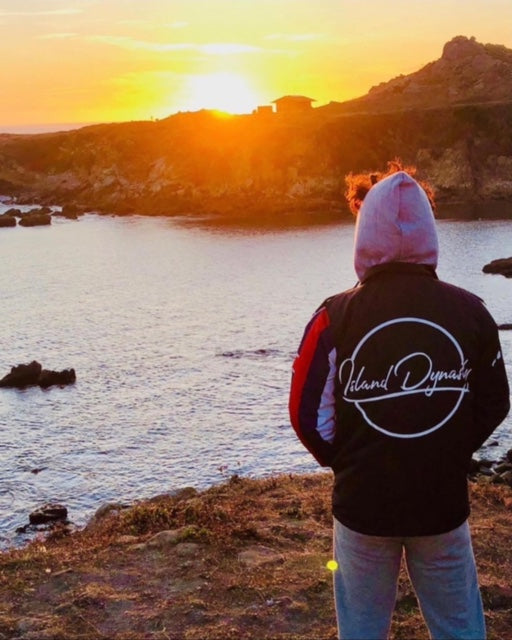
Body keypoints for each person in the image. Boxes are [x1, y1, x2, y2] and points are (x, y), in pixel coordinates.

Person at [289, 162, 510, 640]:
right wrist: (448, 451)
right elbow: (495, 403)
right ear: (429, 232)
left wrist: (345, 460)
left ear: (364, 232)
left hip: (362, 506)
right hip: (442, 504)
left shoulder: (334, 316)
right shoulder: (471, 311)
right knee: (459, 627)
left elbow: (306, 414)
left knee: (363, 629)